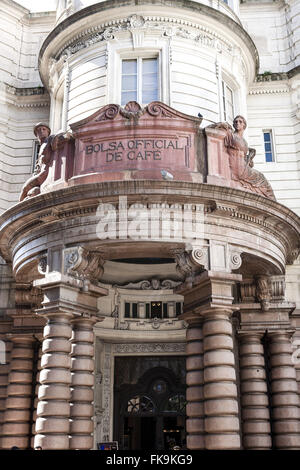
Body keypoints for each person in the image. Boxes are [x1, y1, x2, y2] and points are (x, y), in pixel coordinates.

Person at [224, 115, 275, 200]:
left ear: (244, 125)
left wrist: (249, 159)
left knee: (262, 179)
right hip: (237, 167)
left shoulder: (244, 141)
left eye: (240, 122)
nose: (237, 123)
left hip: (243, 166)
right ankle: (272, 201)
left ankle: (272, 202)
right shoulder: (231, 135)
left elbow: (243, 157)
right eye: (236, 122)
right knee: (261, 178)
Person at [19, 123, 53, 201]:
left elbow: (60, 138)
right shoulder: (41, 146)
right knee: (32, 191)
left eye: (44, 129)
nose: (41, 131)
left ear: (48, 132)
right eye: (39, 130)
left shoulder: (50, 140)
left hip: (44, 174)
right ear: (36, 135)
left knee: (25, 188)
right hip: (40, 175)